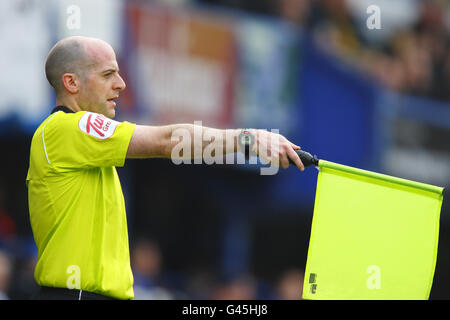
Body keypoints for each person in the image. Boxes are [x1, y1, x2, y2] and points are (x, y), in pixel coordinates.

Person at [26, 36, 305, 300]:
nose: (121, 83)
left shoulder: (77, 141)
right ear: (71, 83)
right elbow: (168, 141)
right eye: (107, 74)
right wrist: (250, 140)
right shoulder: (69, 128)